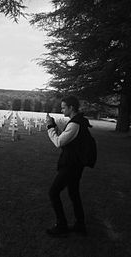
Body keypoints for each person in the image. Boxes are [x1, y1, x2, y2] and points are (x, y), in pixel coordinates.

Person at [44, 95, 92, 237]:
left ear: (71, 108)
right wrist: (54, 126)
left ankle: (62, 225)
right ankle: (80, 224)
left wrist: (50, 127)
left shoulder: (74, 124)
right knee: (73, 193)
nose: (61, 109)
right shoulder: (77, 122)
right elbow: (66, 139)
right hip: (76, 164)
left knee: (53, 192)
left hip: (71, 165)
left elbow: (59, 142)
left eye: (64, 107)